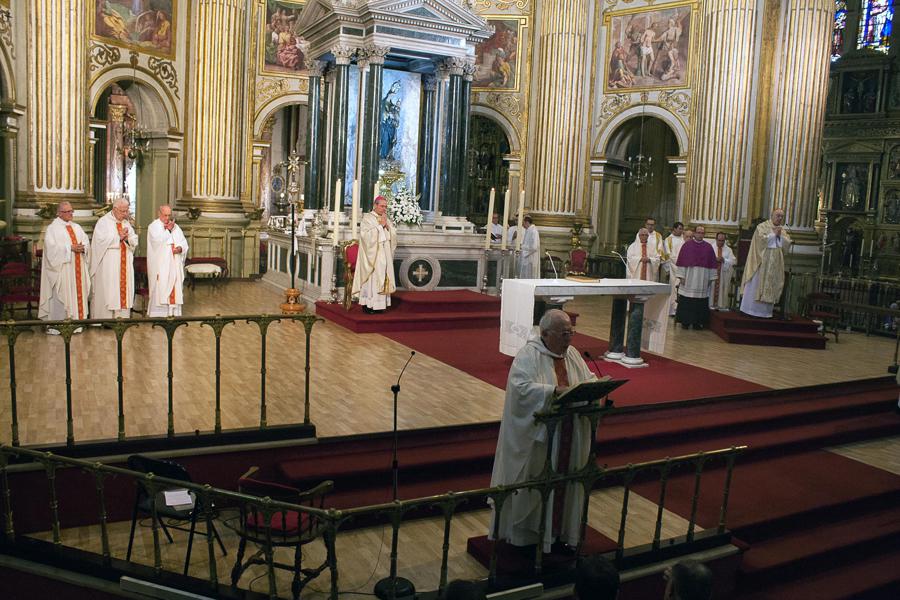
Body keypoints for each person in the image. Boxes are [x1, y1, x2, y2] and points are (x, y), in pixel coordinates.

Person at [489, 310, 597, 553]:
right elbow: (520, 390)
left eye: (571, 332)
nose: (569, 338)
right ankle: (527, 536)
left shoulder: (572, 355)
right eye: (564, 333)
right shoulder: (529, 355)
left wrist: (595, 387)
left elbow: (586, 379)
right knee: (536, 484)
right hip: (541, 439)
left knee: (566, 481)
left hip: (569, 432)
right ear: (545, 333)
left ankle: (559, 532)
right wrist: (552, 392)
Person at [39, 202, 90, 334]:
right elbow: (51, 250)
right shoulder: (52, 229)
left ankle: (77, 324)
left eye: (72, 211)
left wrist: (83, 247)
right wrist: (70, 248)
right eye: (68, 212)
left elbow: (86, 241)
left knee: (76, 295)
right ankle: (58, 327)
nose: (71, 214)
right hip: (63, 271)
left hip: (77, 268)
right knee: (62, 296)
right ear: (59, 213)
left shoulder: (77, 227)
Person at [90, 198, 138, 319]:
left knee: (122, 289)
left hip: (124, 263)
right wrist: (118, 237)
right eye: (123, 211)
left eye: (127, 211)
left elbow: (134, 240)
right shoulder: (103, 222)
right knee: (110, 289)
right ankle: (106, 319)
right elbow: (99, 241)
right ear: (115, 209)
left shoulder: (126, 223)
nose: (125, 214)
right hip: (109, 264)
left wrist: (127, 238)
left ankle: (122, 317)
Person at [740, 208, 791, 318]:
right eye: (778, 215)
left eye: (782, 216)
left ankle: (765, 312)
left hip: (775, 264)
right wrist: (773, 235)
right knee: (757, 285)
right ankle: (751, 310)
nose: (780, 218)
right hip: (761, 263)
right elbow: (759, 241)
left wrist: (780, 236)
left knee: (771, 285)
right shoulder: (762, 227)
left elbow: (787, 244)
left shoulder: (782, 230)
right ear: (772, 215)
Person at [352, 195, 397, 313]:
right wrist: (380, 227)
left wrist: (388, 227)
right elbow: (365, 236)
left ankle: (380, 305)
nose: (384, 209)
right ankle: (368, 305)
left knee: (383, 277)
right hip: (372, 256)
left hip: (384, 253)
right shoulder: (367, 218)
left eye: (385, 206)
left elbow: (393, 234)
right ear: (375, 205)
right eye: (382, 206)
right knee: (372, 279)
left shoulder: (385, 218)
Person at [147, 204, 189, 317]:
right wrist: (168, 231)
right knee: (161, 287)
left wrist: (180, 248)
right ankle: (159, 315)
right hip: (161, 266)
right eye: (165, 215)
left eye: (169, 215)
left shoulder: (175, 227)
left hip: (174, 264)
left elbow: (183, 242)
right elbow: (157, 242)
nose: (167, 218)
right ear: (159, 214)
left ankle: (174, 313)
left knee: (174, 287)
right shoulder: (153, 226)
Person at [674, 226, 718, 330]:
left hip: (702, 279)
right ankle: (685, 321)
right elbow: (682, 262)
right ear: (694, 233)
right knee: (687, 300)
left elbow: (712, 264)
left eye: (702, 233)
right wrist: (681, 276)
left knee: (700, 301)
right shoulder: (687, 246)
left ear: (704, 234)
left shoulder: (708, 247)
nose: (700, 234)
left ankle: (697, 323)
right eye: (698, 232)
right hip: (689, 277)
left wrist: (711, 278)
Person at [708, 232, 736, 310]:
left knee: (722, 291)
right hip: (712, 275)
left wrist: (724, 260)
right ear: (716, 239)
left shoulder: (728, 250)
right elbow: (706, 260)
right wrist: (714, 259)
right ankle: (709, 306)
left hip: (723, 276)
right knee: (711, 290)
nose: (721, 242)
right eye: (719, 240)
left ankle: (721, 306)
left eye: (723, 240)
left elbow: (733, 261)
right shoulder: (710, 248)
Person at [663, 222, 686, 315]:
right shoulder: (669, 239)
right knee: (674, 287)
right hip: (673, 268)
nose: (681, 230)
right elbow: (668, 254)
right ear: (674, 229)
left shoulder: (683, 239)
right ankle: (672, 310)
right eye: (679, 228)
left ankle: (681, 309)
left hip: (683, 267)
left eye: (682, 229)